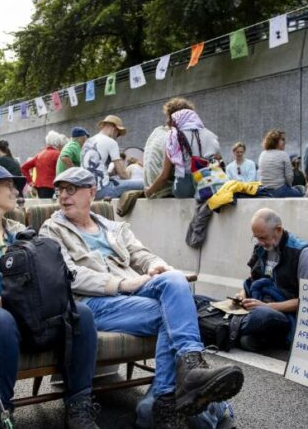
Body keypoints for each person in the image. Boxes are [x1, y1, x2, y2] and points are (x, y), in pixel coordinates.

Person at [40, 167, 244, 427]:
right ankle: (169, 396)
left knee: (174, 280)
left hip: (133, 292)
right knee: (174, 315)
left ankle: (187, 372)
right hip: (94, 303)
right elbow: (69, 276)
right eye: (59, 190)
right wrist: (123, 283)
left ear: (91, 192)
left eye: (71, 189)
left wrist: (158, 267)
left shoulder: (114, 227)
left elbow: (142, 254)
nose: (63, 196)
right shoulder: (52, 229)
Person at [0, 166, 99, 427]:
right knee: (2, 319)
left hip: (33, 316)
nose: (16, 190)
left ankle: (79, 404)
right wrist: (3, 301)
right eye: (8, 184)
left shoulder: (21, 233)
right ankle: (1, 411)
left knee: (81, 313)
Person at [235, 209, 308, 351]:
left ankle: (229, 326)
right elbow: (252, 280)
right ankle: (240, 329)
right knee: (200, 301)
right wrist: (242, 295)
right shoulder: (260, 247)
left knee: (261, 316)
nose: (260, 242)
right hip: (258, 304)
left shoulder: (302, 252)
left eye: (263, 237)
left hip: (281, 312)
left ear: (278, 230)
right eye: (256, 238)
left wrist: (267, 307)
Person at [148, 107, 220, 199]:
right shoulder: (211, 135)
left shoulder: (174, 137)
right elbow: (218, 160)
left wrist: (149, 191)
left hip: (185, 189)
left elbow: (164, 176)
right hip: (211, 185)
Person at [143, 98, 194, 198]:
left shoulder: (157, 131)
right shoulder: (175, 137)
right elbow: (164, 176)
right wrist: (149, 191)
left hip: (149, 184)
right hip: (164, 190)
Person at [83, 115, 143, 200]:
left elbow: (92, 171)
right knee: (144, 184)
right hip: (102, 191)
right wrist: (130, 173)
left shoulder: (88, 142)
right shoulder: (111, 142)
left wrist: (111, 174)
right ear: (114, 128)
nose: (116, 137)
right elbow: (123, 175)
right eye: (118, 134)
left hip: (86, 191)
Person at [258, 130, 302, 198]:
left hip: (264, 191)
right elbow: (289, 178)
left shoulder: (262, 154)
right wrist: (289, 187)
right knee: (301, 193)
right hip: (279, 190)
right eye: (283, 140)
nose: (285, 142)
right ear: (275, 141)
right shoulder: (283, 154)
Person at [21, 130, 65, 199]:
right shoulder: (58, 154)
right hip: (52, 187)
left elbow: (24, 167)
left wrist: (30, 182)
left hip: (39, 187)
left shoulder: (39, 154)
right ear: (56, 142)